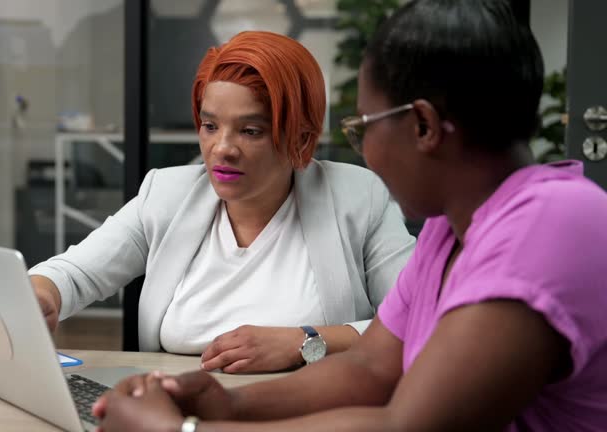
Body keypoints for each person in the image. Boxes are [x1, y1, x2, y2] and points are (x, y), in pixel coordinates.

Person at [91, 0, 607, 430]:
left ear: (423, 126)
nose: (363, 155)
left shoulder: (553, 224)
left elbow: (403, 426)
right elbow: (371, 366)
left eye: (363, 128)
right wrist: (229, 403)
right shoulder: (449, 231)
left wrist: (186, 431)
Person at [30, 31, 414, 373]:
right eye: (210, 126)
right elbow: (74, 274)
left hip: (311, 410)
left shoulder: (358, 197)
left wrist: (306, 341)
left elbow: (419, 316)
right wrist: (44, 292)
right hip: (179, 408)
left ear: (300, 137)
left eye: (250, 131)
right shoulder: (167, 194)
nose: (222, 149)